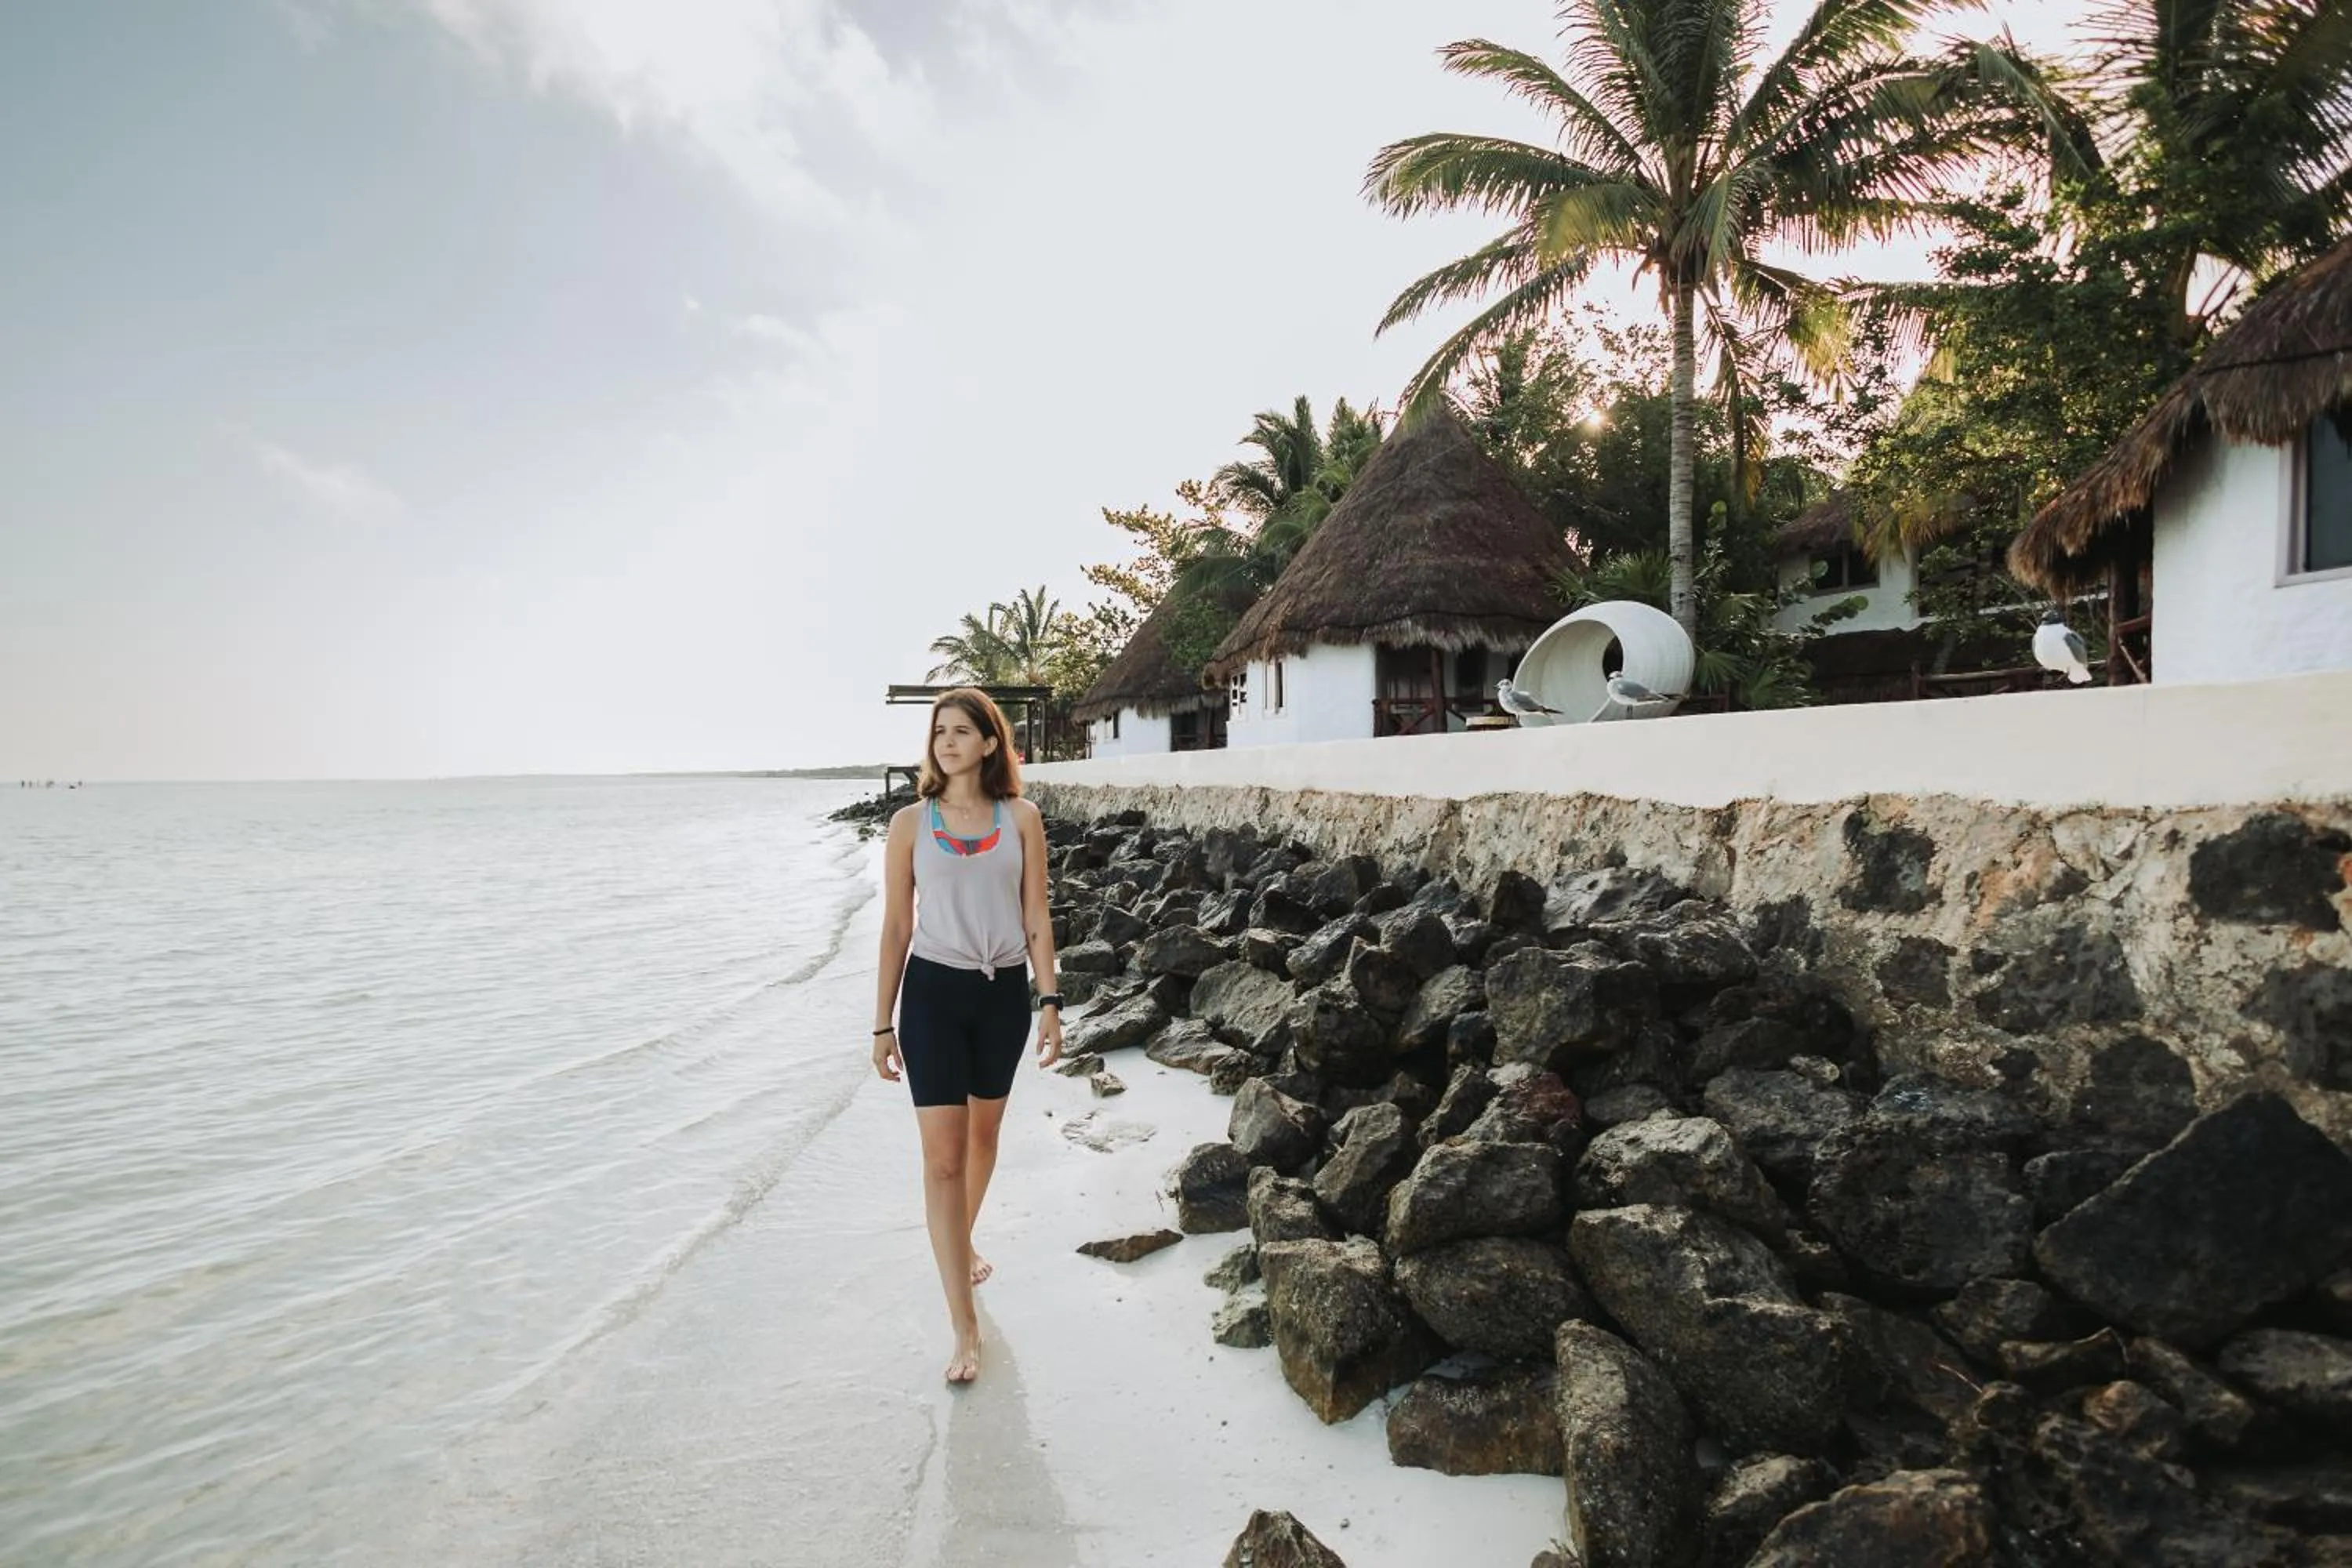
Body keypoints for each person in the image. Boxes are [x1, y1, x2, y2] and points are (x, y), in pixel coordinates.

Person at [871, 687, 1064, 1385]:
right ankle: (965, 1325)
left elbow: (1036, 913)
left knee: (985, 1138)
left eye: (961, 731)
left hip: (1003, 998)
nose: (946, 742)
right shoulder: (909, 825)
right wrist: (881, 1022)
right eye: (938, 732)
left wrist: (1050, 1000)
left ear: (990, 742)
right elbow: (896, 927)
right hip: (931, 996)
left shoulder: (1022, 818)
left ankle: (960, 1239)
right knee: (943, 1161)